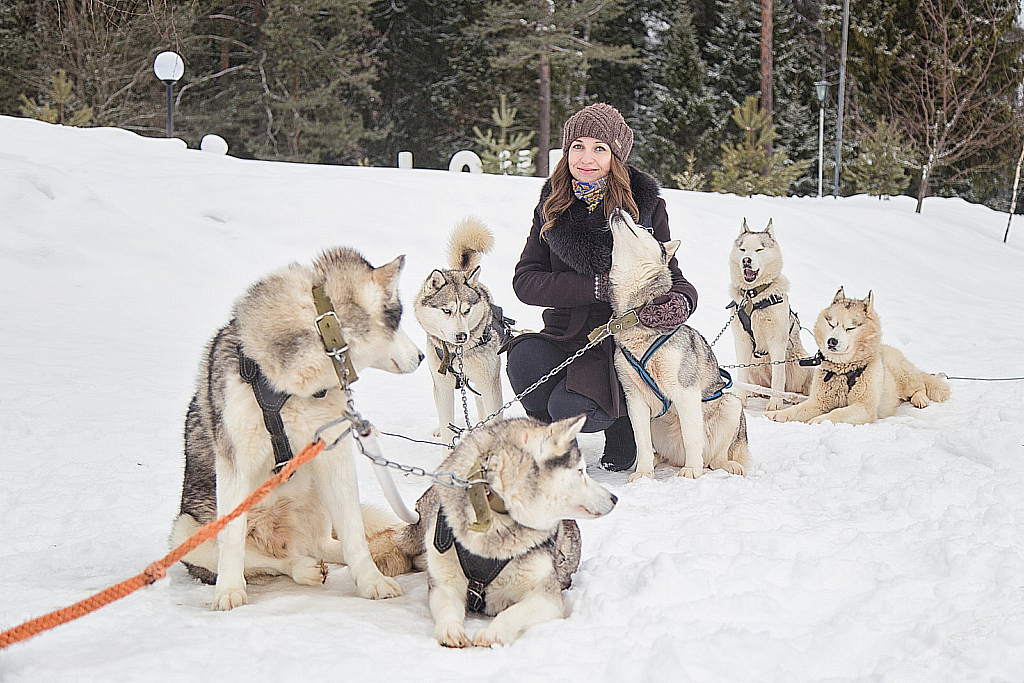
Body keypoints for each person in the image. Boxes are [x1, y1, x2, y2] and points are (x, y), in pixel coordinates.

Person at [503, 102, 698, 472]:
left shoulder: (646, 209)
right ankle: (553, 442)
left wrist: (680, 302)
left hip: (620, 342)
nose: (586, 158)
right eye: (578, 146)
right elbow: (525, 281)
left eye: (599, 148)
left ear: (616, 155)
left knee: (568, 406)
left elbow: (677, 277)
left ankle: (622, 425)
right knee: (523, 359)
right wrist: (594, 287)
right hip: (567, 335)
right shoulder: (552, 206)